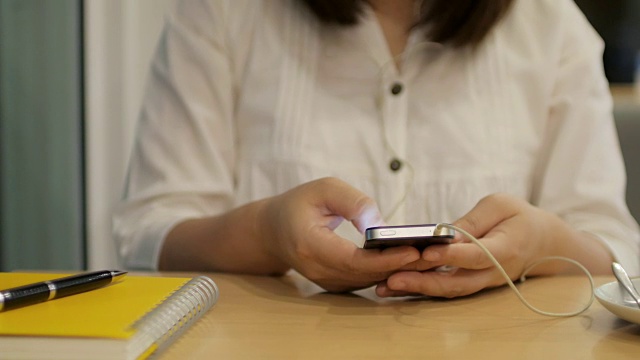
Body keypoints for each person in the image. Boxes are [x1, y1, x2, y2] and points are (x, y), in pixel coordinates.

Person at [113, 0, 640, 298]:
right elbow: (150, 232)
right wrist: (266, 234)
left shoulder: (551, 25)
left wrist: (543, 243)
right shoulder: (220, 14)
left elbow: (615, 246)